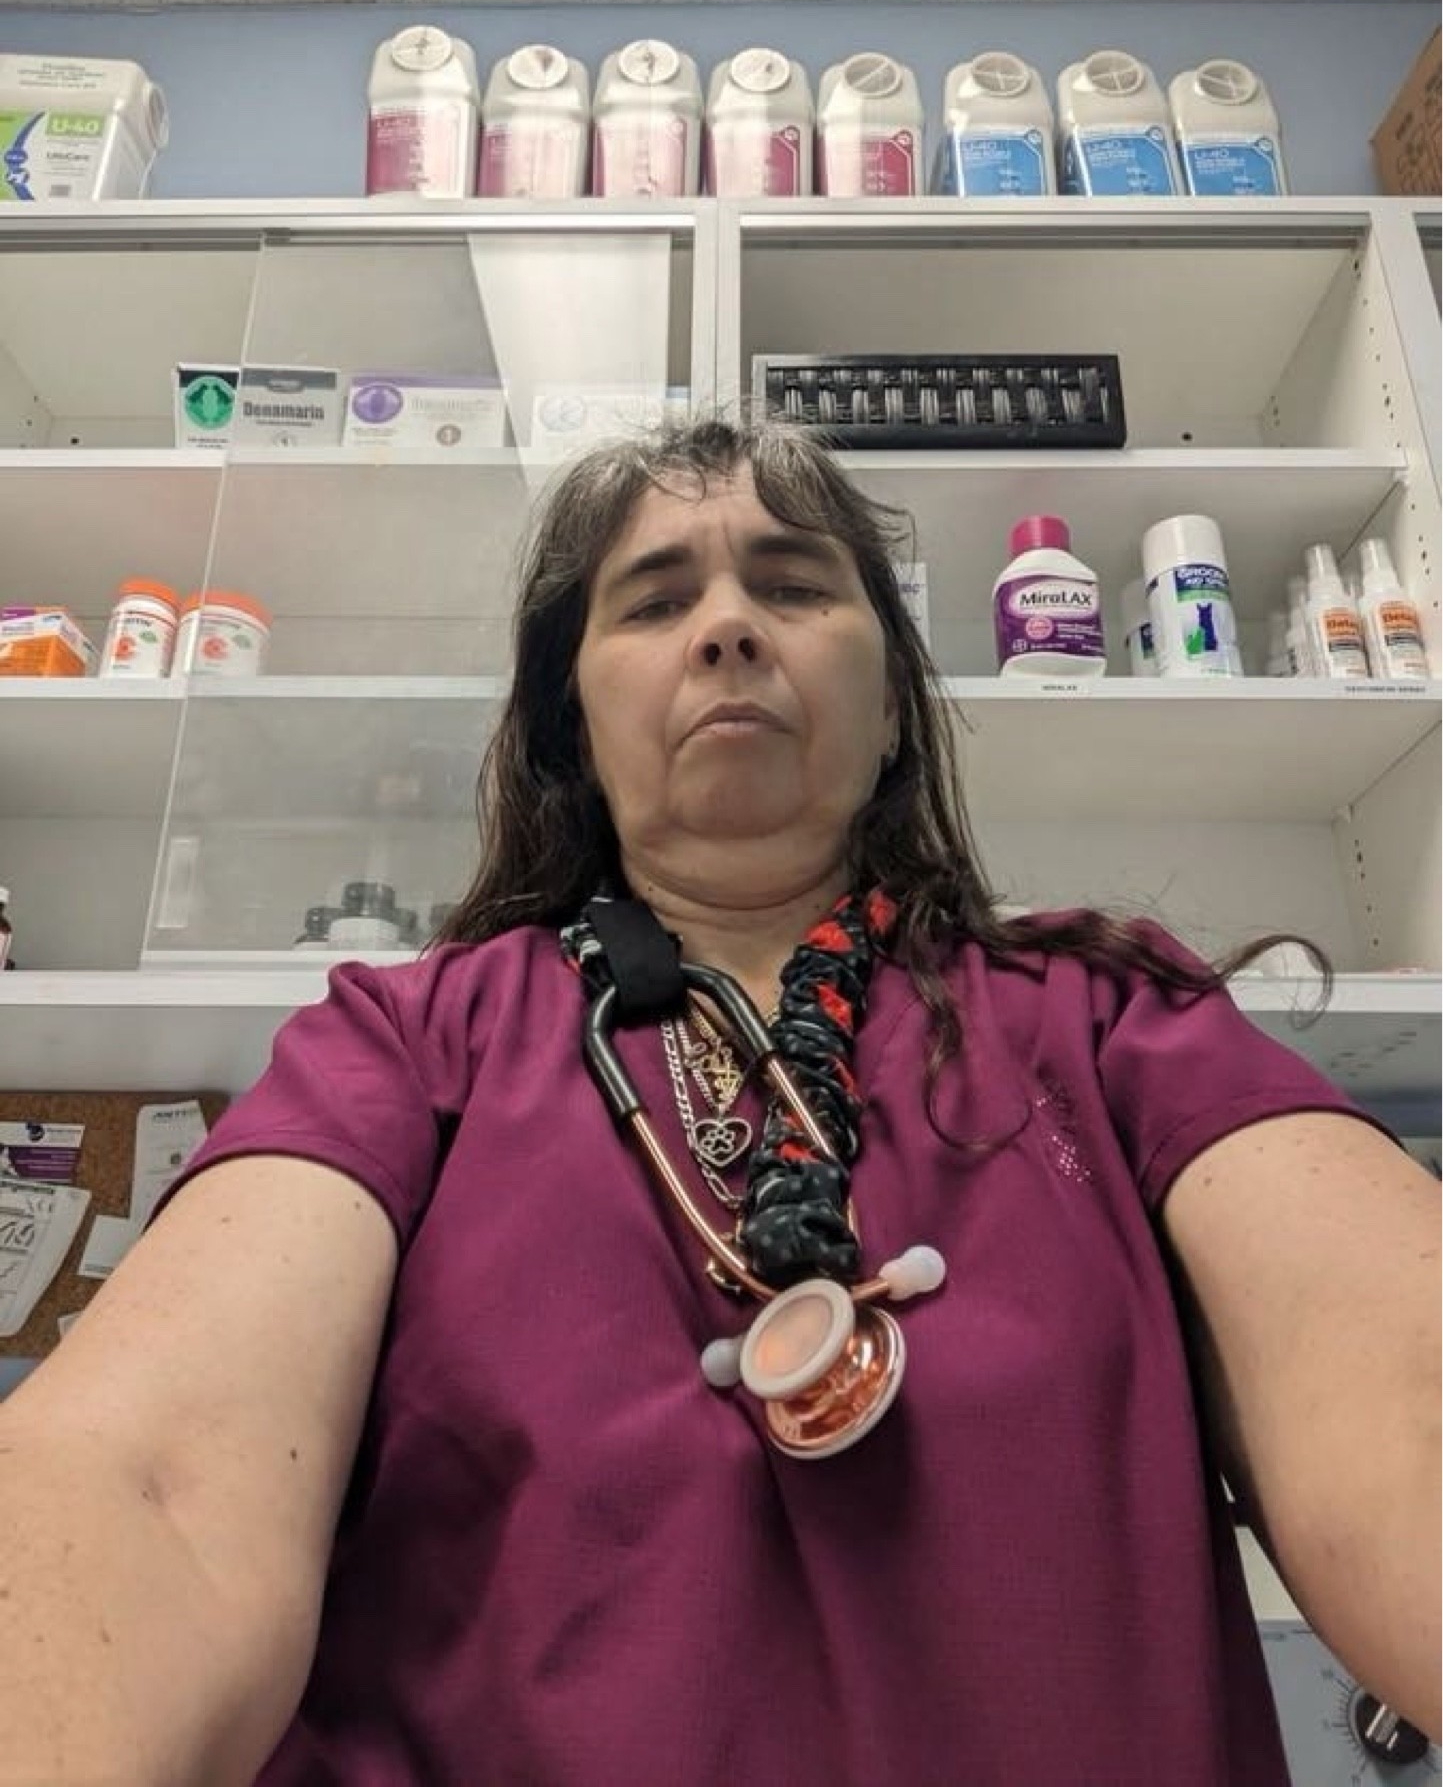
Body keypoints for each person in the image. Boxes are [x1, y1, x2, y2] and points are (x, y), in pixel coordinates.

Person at [1, 417, 1437, 1786]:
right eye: (653, 601)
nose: (730, 626)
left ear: (892, 709)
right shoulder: (402, 1044)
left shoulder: (1114, 1020)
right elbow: (147, 1487)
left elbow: (1404, 1393)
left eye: (796, 585)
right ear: (574, 724)